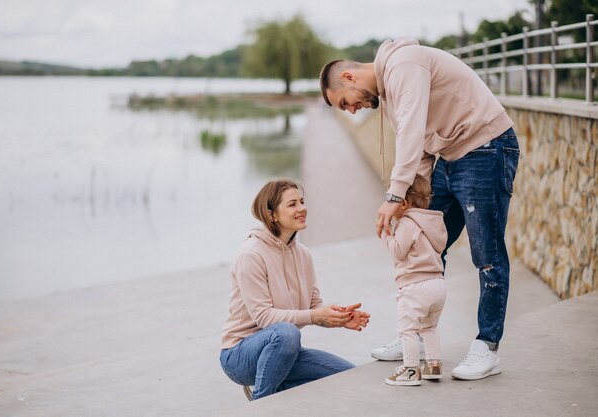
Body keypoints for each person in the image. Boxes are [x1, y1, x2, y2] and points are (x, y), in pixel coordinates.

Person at [319, 37, 520, 380]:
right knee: (422, 246)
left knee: (487, 256)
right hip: (451, 157)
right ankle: (417, 335)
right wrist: (413, 202)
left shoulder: (404, 63)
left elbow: (411, 132)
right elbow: (423, 149)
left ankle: (488, 347)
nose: (352, 111)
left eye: (345, 103)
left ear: (349, 78)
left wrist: (395, 195)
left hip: (486, 149)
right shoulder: (392, 94)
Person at [219, 179, 371, 400]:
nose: (302, 208)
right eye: (292, 204)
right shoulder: (251, 255)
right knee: (287, 333)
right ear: (271, 215)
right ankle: (261, 405)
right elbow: (264, 318)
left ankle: (277, 388)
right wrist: (313, 315)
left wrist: (339, 317)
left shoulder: (303, 254)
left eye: (301, 201)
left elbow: (313, 306)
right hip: (240, 355)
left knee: (348, 376)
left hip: (284, 352)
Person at [382, 174, 447, 386]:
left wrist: (385, 232)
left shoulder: (408, 222)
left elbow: (398, 251)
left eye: (391, 198)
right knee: (429, 327)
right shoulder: (433, 221)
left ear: (403, 203)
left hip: (415, 286)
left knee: (407, 330)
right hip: (437, 284)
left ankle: (410, 370)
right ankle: (433, 365)